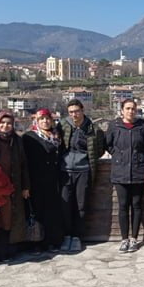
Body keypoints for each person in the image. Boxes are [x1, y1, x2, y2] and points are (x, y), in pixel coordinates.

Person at [106, 99, 144, 253]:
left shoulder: (143, 127)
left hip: (139, 171)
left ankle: (134, 239)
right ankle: (124, 239)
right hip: (120, 172)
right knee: (123, 206)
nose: (130, 111)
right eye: (127, 108)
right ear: (122, 110)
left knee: (137, 205)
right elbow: (109, 144)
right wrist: (118, 156)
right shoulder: (114, 126)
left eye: (133, 108)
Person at [58, 99, 105, 252]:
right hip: (65, 171)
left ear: (82, 110)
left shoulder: (93, 129)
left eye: (76, 111)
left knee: (81, 205)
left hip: (83, 170)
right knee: (65, 205)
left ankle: (77, 236)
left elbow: (100, 149)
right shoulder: (63, 126)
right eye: (71, 112)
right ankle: (67, 236)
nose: (74, 115)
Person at [0, 111, 30, 261]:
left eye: (9, 123)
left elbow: (24, 164)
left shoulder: (16, 141)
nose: (5, 126)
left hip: (12, 186)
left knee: (8, 218)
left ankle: (6, 250)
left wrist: (25, 186)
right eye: (2, 123)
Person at [22, 108, 63, 252]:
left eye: (47, 119)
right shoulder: (29, 137)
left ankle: (50, 241)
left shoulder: (56, 137)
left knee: (51, 212)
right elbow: (24, 162)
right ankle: (36, 243)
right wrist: (25, 185)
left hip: (53, 181)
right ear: (36, 121)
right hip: (35, 181)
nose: (45, 121)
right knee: (36, 212)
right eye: (42, 119)